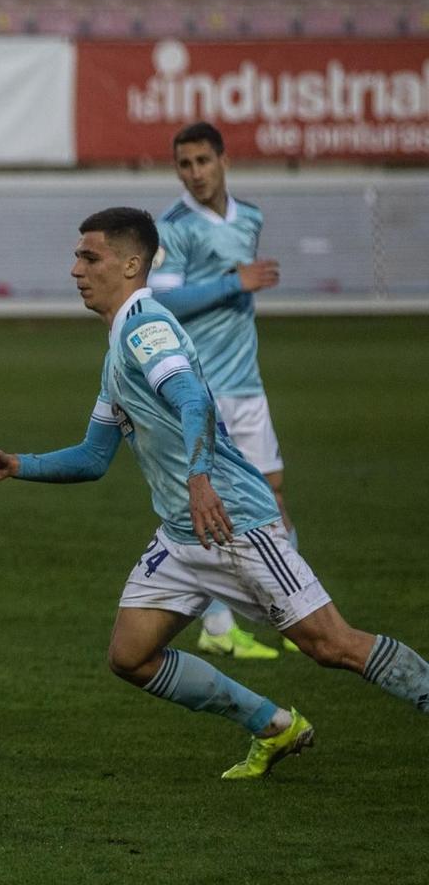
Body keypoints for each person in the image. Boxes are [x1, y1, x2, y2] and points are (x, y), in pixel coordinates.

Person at [0, 208, 429, 778]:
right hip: (184, 537)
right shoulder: (117, 350)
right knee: (130, 656)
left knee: (333, 646)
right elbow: (92, 457)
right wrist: (18, 465)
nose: (75, 269)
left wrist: (200, 478)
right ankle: (274, 726)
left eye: (90, 257)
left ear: (132, 264)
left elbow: (193, 400)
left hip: (233, 522)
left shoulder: (144, 329)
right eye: (76, 257)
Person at [150, 122, 288, 661]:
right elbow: (166, 304)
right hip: (200, 387)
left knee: (273, 496)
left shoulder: (249, 217)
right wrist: (236, 282)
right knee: (215, 508)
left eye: (203, 161)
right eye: (185, 164)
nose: (195, 174)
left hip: (246, 383)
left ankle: (287, 612)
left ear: (224, 160)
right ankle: (218, 625)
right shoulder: (174, 227)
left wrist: (238, 280)